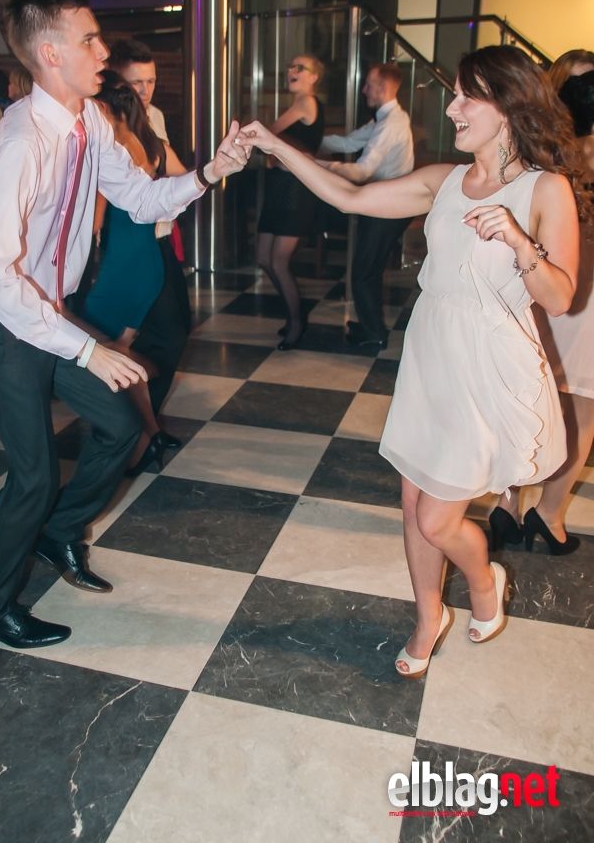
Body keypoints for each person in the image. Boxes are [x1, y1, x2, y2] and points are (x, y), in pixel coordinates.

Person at [240, 45, 580, 678]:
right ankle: (428, 617)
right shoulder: (444, 180)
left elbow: (560, 298)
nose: (452, 108)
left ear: (508, 105)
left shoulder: (544, 189)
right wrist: (275, 145)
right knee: (412, 502)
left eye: (467, 96)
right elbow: (348, 196)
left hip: (489, 364)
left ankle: (483, 576)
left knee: (437, 518)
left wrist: (518, 240)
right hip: (431, 354)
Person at [0, 0, 249, 650]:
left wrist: (210, 172)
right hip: (3, 321)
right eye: (89, 40)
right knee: (33, 475)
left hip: (50, 314)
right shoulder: (20, 142)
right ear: (50, 53)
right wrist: (88, 349)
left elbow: (141, 200)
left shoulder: (89, 120)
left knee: (122, 423)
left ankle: (59, 534)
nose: (103, 51)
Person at [491, 68, 594, 554]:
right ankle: (549, 515)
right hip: (586, 303)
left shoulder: (543, 161)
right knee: (583, 414)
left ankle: (507, 503)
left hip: (541, 288)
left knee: (523, 398)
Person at [82, 70, 179, 473]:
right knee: (115, 350)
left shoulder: (113, 150)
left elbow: (94, 222)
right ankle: (149, 434)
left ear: (104, 109)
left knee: (101, 349)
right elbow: (178, 181)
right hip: (147, 260)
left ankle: (139, 435)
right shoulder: (149, 142)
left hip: (123, 265)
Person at [319, 62, 414, 352]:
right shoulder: (386, 118)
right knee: (366, 270)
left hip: (389, 206)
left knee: (363, 272)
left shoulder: (391, 123)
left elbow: (362, 171)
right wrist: (307, 141)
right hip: (386, 203)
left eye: (369, 84)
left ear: (383, 88)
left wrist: (315, 164)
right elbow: (349, 142)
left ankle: (375, 334)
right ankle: (371, 326)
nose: (363, 90)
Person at [256, 55, 325, 350]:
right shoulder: (299, 104)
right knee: (264, 258)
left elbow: (267, 134)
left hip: (296, 189)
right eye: (290, 67)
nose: (292, 71)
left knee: (278, 260)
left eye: (300, 68)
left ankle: (297, 322)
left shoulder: (305, 102)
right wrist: (275, 154)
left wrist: (272, 150)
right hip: (280, 186)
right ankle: (292, 310)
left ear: (314, 77)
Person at [108, 39, 169, 143]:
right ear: (116, 83)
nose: (145, 91)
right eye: (136, 82)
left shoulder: (156, 114)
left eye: (151, 81)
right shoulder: (104, 122)